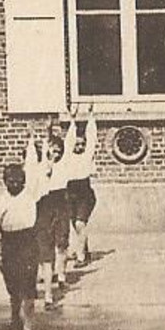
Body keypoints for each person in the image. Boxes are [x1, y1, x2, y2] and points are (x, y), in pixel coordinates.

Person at [0, 160, 41, 330]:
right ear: (5, 182)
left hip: (28, 242)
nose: (15, 184)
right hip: (9, 244)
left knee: (28, 286)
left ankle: (28, 327)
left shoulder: (30, 198)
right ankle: (15, 317)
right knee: (13, 285)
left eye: (18, 180)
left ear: (24, 181)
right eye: (11, 181)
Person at [27, 126, 68, 309]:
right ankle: (44, 291)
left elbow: (47, 159)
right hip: (37, 212)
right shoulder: (32, 171)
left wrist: (47, 135)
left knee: (47, 254)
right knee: (41, 254)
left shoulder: (45, 170)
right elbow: (40, 158)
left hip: (48, 209)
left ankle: (49, 295)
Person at [64, 108, 99, 266]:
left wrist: (91, 116)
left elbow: (92, 137)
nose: (79, 147)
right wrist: (72, 120)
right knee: (75, 224)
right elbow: (69, 139)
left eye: (82, 144)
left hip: (84, 193)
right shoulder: (68, 156)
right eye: (77, 144)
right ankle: (84, 250)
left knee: (80, 224)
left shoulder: (87, 156)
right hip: (70, 193)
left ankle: (81, 258)